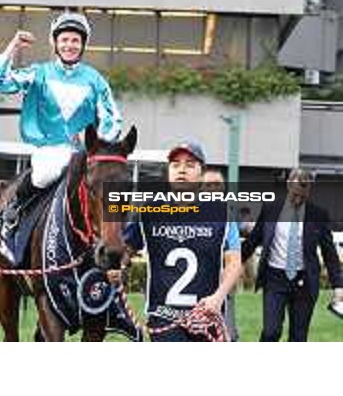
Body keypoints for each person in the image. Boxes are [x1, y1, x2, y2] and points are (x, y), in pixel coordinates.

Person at [0, 11, 123, 236]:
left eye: (75, 40)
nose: (70, 45)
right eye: (65, 39)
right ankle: (14, 209)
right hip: (50, 149)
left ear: (82, 45)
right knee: (45, 173)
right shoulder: (39, 73)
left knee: (109, 182)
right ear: (56, 43)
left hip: (84, 154)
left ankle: (116, 236)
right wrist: (13, 47)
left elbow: (113, 118)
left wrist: (98, 142)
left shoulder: (95, 79)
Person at [124, 141, 242, 341]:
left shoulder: (222, 214)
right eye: (175, 165)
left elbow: (234, 262)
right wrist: (118, 267)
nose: (181, 170)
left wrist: (217, 297)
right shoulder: (149, 211)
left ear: (201, 173)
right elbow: (126, 250)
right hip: (164, 317)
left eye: (189, 164)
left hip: (206, 315)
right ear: (168, 171)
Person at [242, 168, 343, 342]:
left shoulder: (318, 214)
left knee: (298, 336)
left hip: (304, 282)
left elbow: (329, 252)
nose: (298, 198)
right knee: (271, 331)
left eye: (303, 194)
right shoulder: (271, 210)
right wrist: (231, 263)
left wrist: (338, 286)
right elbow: (253, 240)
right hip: (275, 278)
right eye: (295, 192)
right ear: (288, 184)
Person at [201, 168, 240, 341]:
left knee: (225, 336)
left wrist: (221, 293)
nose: (212, 190)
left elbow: (234, 259)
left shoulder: (228, 221)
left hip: (219, 294)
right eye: (207, 185)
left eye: (217, 185)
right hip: (180, 302)